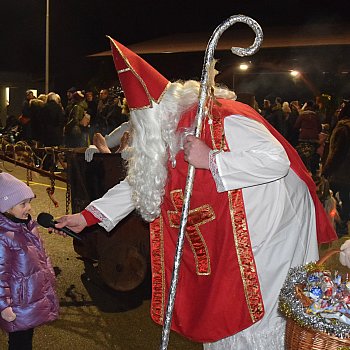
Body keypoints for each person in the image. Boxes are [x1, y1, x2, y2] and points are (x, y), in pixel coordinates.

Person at [52, 38, 343, 349]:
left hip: (274, 227)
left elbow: (276, 162)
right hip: (230, 230)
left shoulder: (224, 117)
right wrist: (88, 216)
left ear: (162, 113)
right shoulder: (168, 132)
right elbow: (145, 181)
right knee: (225, 305)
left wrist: (212, 159)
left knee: (264, 310)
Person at [0, 172, 59, 350]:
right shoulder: (3, 237)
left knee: (26, 340)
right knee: (20, 344)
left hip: (28, 300)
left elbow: (42, 257)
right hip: (16, 306)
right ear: (6, 207)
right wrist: (3, 306)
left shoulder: (28, 227)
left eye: (29, 203)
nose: (29, 208)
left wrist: (49, 279)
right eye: (23, 204)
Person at [322, 100, 350, 236]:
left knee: (331, 197)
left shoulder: (343, 129)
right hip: (346, 173)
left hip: (341, 172)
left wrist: (326, 170)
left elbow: (337, 153)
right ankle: (343, 224)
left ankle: (338, 227)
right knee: (345, 197)